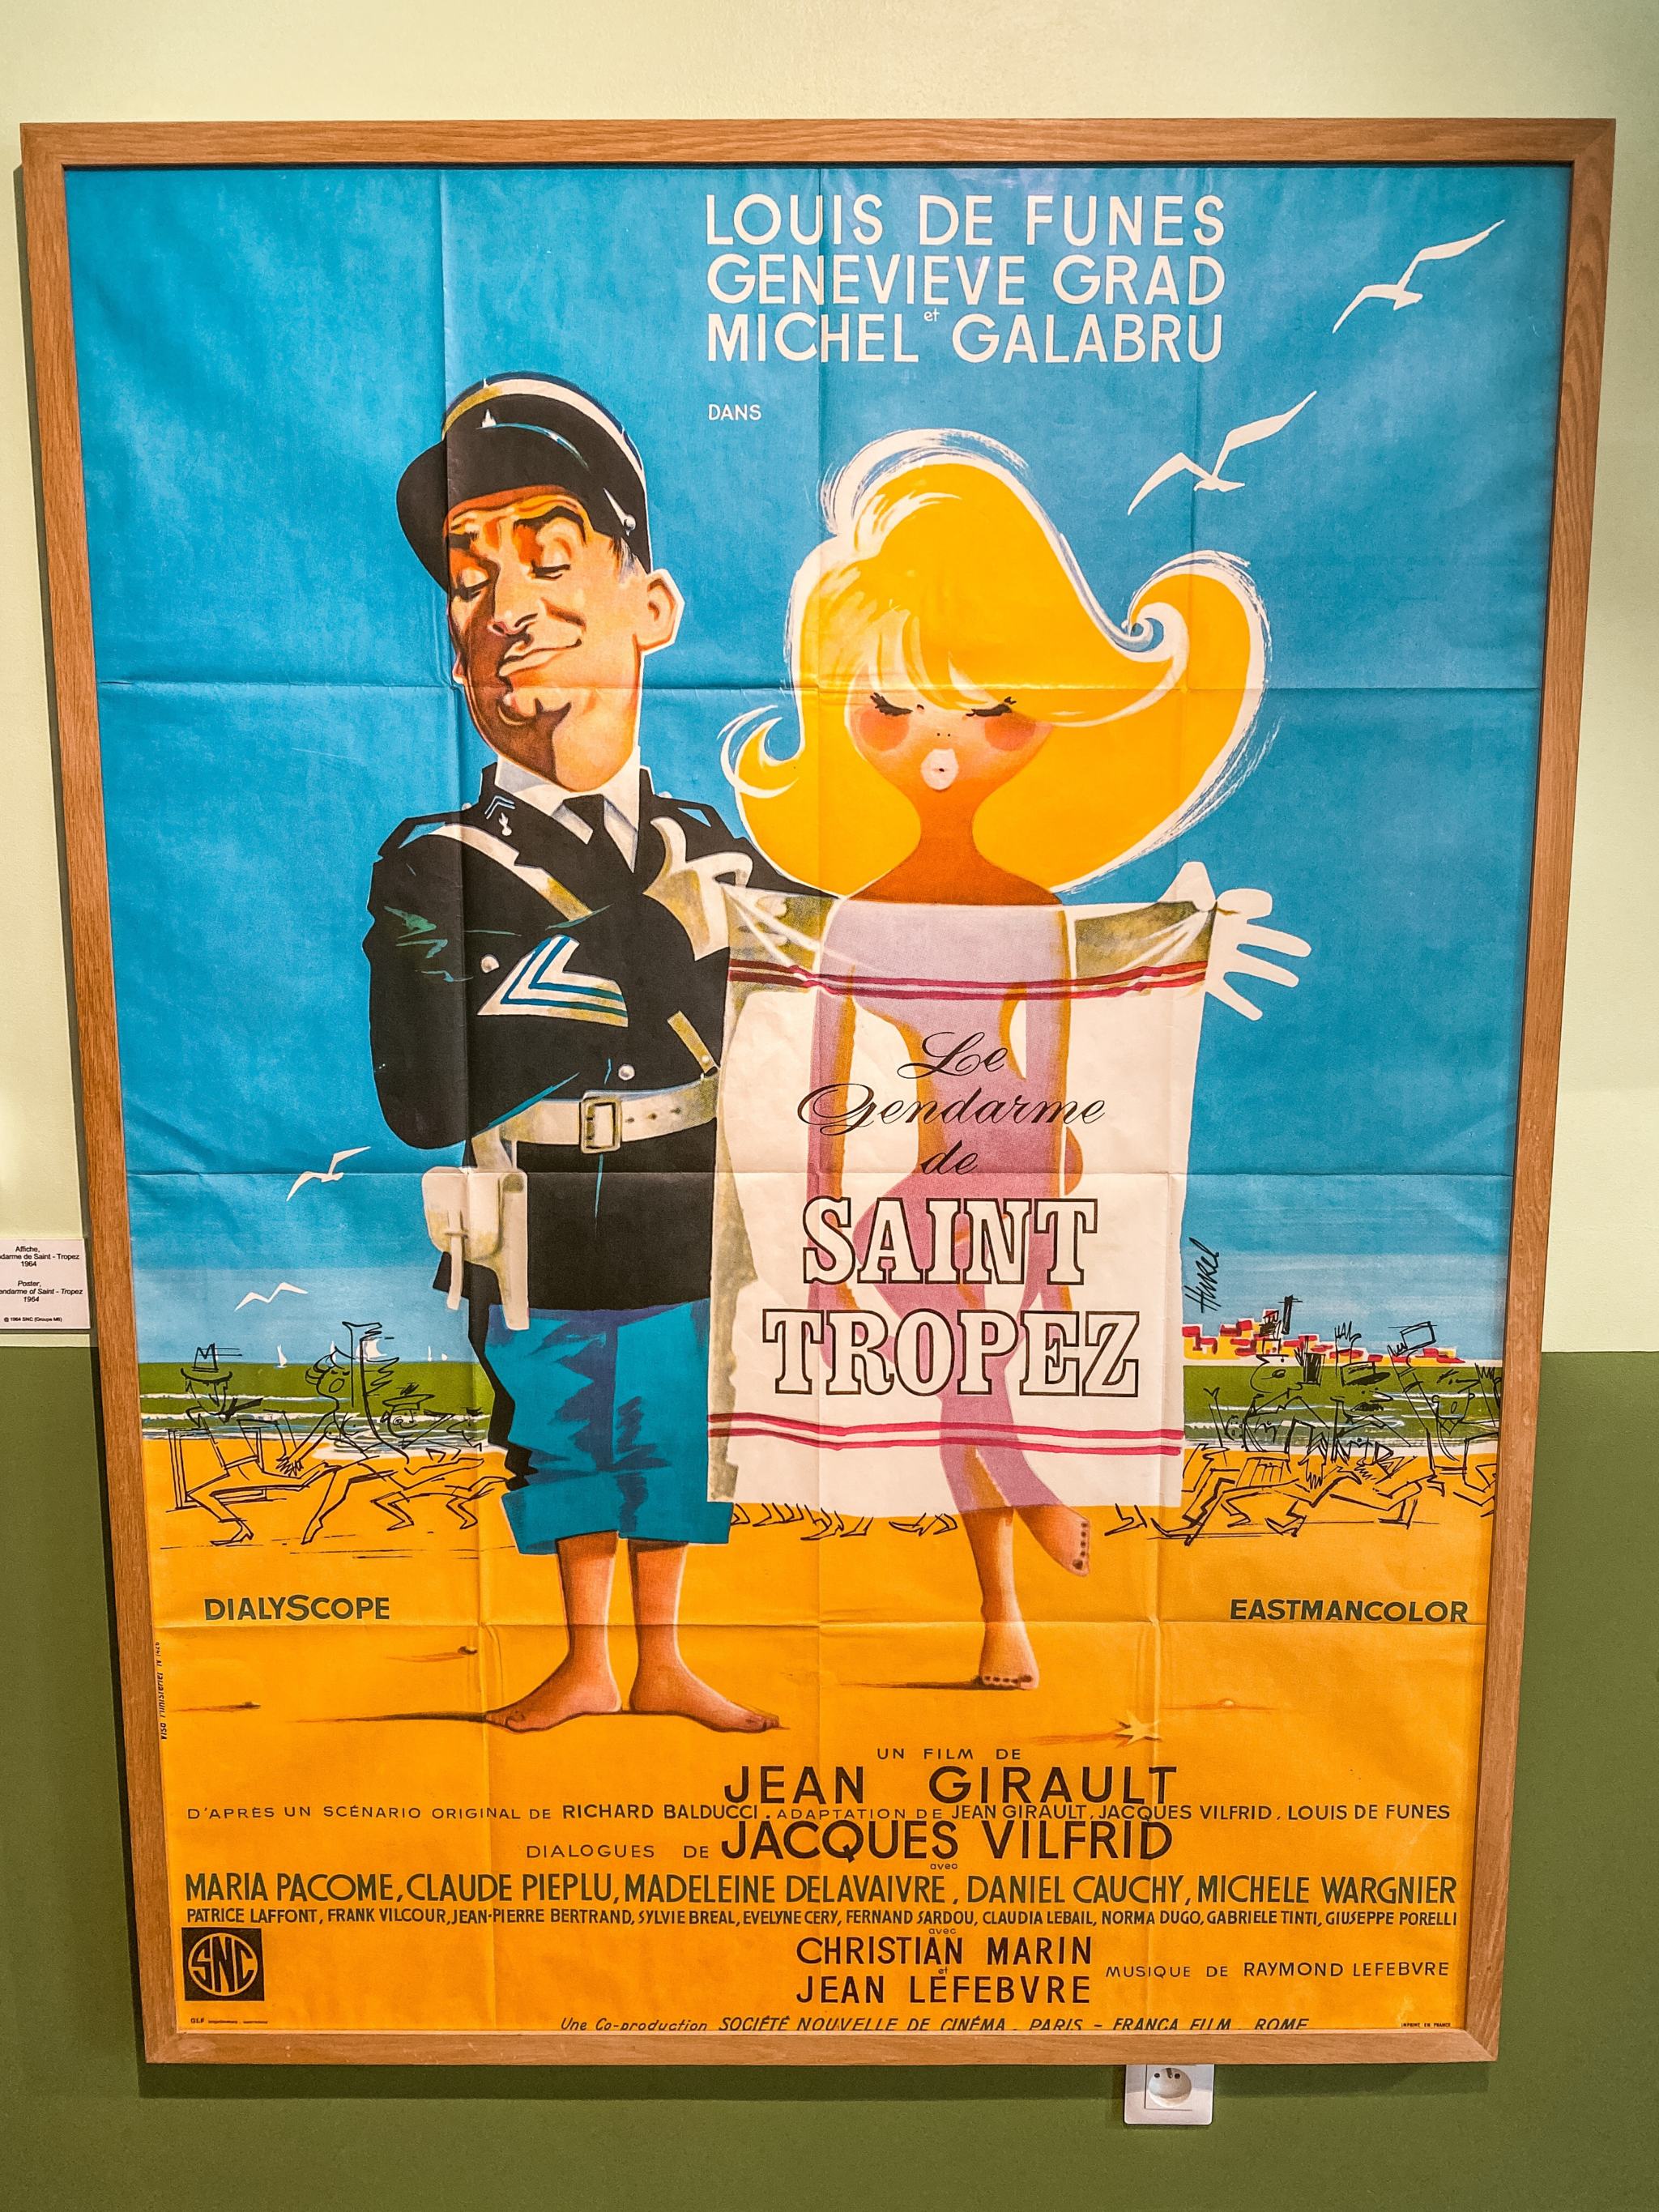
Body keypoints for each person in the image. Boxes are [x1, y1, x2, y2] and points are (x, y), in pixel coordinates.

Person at [724, 433, 1304, 1687]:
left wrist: (1046, 1239)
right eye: (893, 704)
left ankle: (1008, 1593)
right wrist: (820, 1253)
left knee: (960, 1371)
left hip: (1029, 1171)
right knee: (960, 1371)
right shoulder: (855, 918)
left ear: (1045, 722)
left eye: (990, 706)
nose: (941, 738)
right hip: (925, 1187)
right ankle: (1015, 1568)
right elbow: (818, 1078)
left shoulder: (1034, 912)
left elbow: (1057, 1046)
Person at [367, 372, 791, 1733]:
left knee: (675, 1424)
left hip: (689, 1198)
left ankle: (662, 1658)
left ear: (649, 607)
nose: (509, 606)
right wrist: (659, 934)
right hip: (534, 1208)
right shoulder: (435, 863)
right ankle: (584, 1661)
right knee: (558, 1423)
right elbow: (428, 1088)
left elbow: (838, 998)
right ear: (456, 653)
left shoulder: (715, 844)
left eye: (552, 560)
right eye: (469, 578)